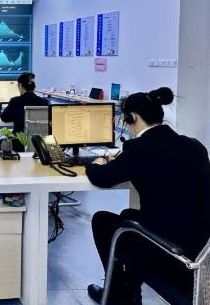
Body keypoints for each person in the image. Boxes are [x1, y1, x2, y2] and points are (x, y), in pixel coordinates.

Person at [85, 87, 210, 304]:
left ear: (132, 118)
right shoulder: (194, 146)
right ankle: (125, 291)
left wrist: (95, 164)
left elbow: (102, 178)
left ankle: (118, 295)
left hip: (169, 251)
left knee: (102, 221)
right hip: (198, 248)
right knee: (128, 215)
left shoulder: (138, 149)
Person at [0, 72, 49, 151]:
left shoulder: (15, 101)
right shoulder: (45, 102)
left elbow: (4, 118)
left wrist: (16, 116)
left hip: (19, 143)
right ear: (34, 87)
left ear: (20, 86)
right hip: (39, 144)